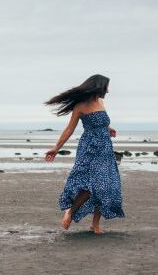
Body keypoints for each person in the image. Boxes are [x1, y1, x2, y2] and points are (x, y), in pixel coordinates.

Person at [44, 74, 125, 234]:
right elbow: (69, 129)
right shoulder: (80, 106)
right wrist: (56, 148)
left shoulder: (101, 102)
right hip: (90, 148)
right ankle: (70, 211)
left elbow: (101, 121)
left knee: (104, 186)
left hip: (105, 149)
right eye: (106, 87)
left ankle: (95, 224)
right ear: (99, 86)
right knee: (87, 186)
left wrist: (108, 128)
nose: (108, 91)